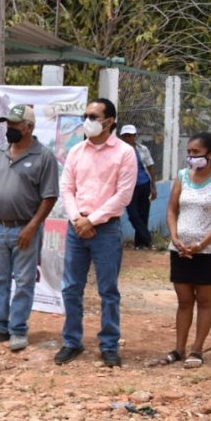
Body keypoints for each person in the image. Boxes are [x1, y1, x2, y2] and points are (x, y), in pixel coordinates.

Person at [55, 98, 138, 367]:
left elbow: (123, 195)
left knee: (108, 290)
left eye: (93, 116)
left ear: (109, 121)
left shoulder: (124, 153)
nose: (87, 121)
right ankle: (71, 341)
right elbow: (67, 188)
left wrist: (92, 220)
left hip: (106, 229)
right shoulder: (77, 151)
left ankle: (109, 345)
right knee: (71, 288)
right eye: (86, 116)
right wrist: (78, 219)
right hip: (76, 227)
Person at [0, 105, 59, 352]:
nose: (9, 128)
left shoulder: (43, 156)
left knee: (23, 281)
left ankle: (18, 330)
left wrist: (32, 227)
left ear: (29, 127)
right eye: (8, 124)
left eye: (14, 124)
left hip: (25, 230)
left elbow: (49, 197)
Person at [156, 132, 211, 368]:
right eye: (189, 152)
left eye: (196, 152)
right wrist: (174, 237)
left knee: (204, 300)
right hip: (180, 249)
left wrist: (202, 244)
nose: (191, 157)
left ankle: (197, 349)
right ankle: (179, 349)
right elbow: (172, 210)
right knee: (183, 301)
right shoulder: (182, 176)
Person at [118, 125, 158, 249]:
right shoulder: (118, 151)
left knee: (143, 214)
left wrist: (153, 186)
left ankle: (140, 243)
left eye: (129, 136)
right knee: (133, 215)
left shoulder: (142, 149)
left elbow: (150, 166)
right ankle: (148, 239)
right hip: (128, 187)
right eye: (125, 136)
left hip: (144, 184)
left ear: (134, 136)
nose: (127, 138)